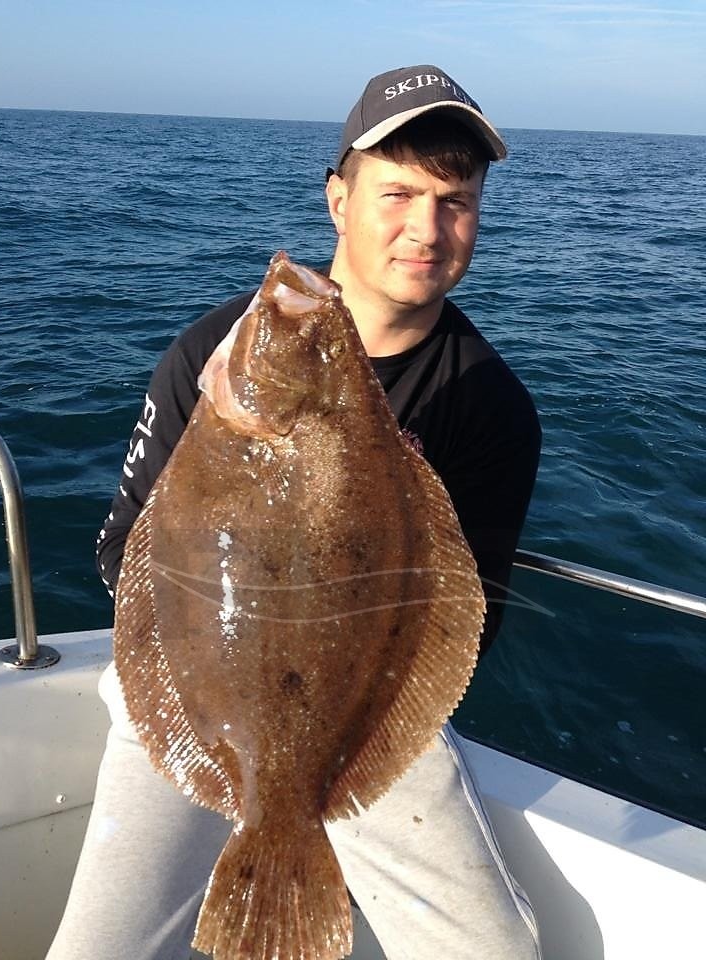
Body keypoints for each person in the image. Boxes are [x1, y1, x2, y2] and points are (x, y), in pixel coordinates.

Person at [47, 64, 542, 960]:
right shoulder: (211, 352)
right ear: (338, 201)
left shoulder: (491, 406)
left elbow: (469, 618)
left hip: (356, 711)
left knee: (493, 949)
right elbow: (123, 552)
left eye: (456, 201)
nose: (426, 228)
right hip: (199, 685)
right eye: (398, 194)